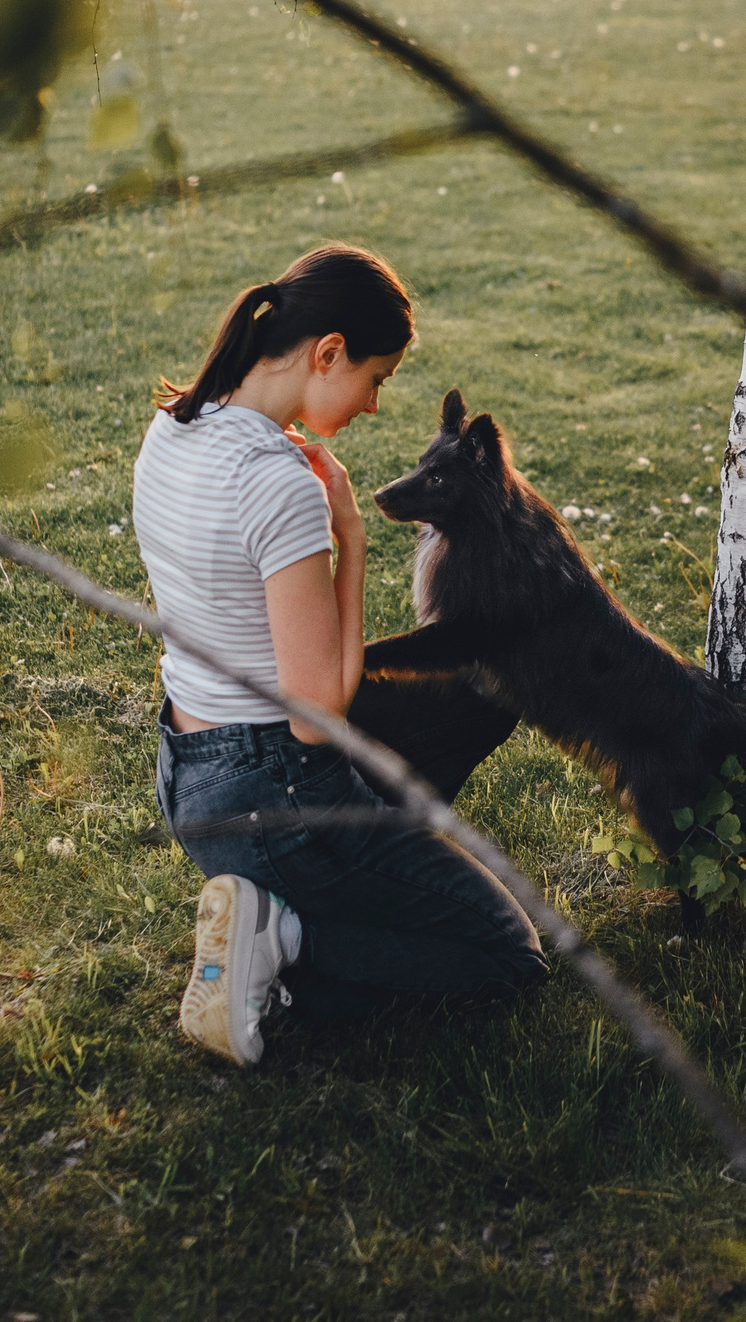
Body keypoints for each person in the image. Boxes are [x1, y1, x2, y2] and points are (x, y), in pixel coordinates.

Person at [131, 244, 542, 1066]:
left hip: (189, 766)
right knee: (509, 957)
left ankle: (297, 902)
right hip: (274, 788)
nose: (376, 404)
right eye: (377, 378)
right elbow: (319, 718)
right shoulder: (279, 481)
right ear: (328, 354)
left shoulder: (175, 427)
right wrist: (349, 535)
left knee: (473, 691)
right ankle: (284, 941)